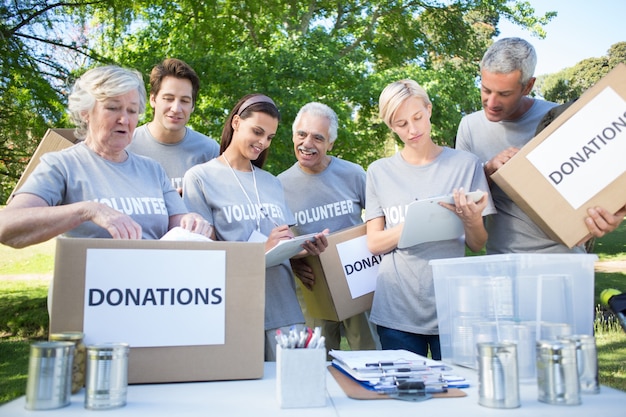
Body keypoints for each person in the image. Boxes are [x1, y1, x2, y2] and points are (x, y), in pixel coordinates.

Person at [182, 93, 329, 361]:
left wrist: (304, 248)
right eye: (257, 132)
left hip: (284, 311)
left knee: (292, 393)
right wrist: (262, 248)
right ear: (236, 122)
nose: (263, 142)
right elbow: (202, 256)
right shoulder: (200, 178)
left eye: (270, 137)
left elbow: (282, 241)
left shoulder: (272, 182)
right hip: (233, 313)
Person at [0, 65, 213, 249]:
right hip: (92, 292)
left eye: (132, 111)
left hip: (151, 291)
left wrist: (191, 222)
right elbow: (6, 226)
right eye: (112, 108)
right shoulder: (61, 165)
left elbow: (178, 222)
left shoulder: (152, 170)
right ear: (86, 112)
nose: (124, 119)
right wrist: (88, 210)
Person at [456, 37, 625, 254]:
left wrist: (613, 215)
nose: (491, 103)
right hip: (504, 261)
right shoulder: (469, 127)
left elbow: (600, 185)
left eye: (504, 94)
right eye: (486, 90)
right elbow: (461, 201)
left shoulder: (563, 118)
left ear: (528, 86)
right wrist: (487, 171)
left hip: (565, 260)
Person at [365, 79, 495, 359]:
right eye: (401, 124)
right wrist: (416, 222)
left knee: (454, 394)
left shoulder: (466, 164)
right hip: (396, 310)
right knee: (403, 398)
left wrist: (471, 219)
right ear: (391, 126)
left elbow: (477, 243)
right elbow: (374, 243)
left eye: (417, 117)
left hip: (452, 308)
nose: (412, 130)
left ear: (429, 110)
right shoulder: (378, 172)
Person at [277, 102, 378, 355]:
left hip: (355, 278)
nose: (307, 143)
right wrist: (293, 264)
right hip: (312, 284)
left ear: (330, 143)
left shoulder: (354, 174)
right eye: (301, 134)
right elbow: (277, 244)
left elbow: (379, 219)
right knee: (316, 358)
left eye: (318, 137)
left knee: (368, 352)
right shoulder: (279, 186)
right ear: (293, 135)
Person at [127, 58, 219, 194]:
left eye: (185, 101)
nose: (176, 108)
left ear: (193, 105)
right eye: (168, 99)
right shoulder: (126, 146)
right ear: (153, 99)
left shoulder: (211, 152)